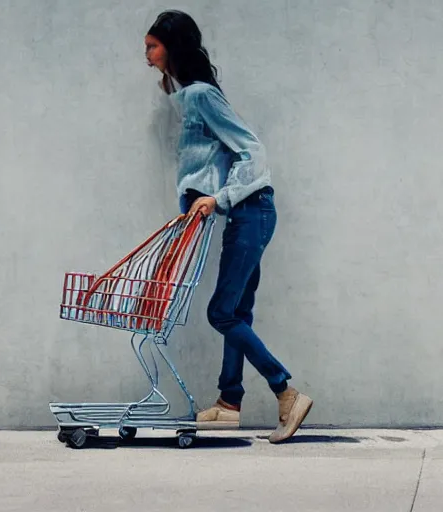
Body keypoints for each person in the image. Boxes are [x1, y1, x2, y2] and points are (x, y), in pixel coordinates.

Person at [144, 10, 313, 444]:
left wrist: (216, 199)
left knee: (220, 312)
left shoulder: (201, 96)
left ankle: (285, 392)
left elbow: (251, 152)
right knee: (236, 313)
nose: (146, 55)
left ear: (172, 47)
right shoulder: (189, 95)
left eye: (152, 46)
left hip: (251, 211)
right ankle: (229, 402)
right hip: (245, 214)